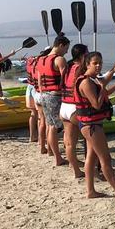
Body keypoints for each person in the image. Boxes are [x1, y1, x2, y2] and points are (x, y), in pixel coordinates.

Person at [75, 52, 115, 203]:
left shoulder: (92, 79)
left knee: (91, 157)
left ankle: (90, 191)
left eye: (100, 63)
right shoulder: (86, 82)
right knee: (106, 160)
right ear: (87, 64)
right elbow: (96, 104)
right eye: (95, 63)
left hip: (89, 125)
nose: (98, 66)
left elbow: (105, 93)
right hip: (92, 126)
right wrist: (102, 87)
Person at [37, 34, 70, 165]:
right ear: (60, 45)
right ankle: (58, 157)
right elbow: (66, 80)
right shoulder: (60, 60)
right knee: (57, 127)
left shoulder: (41, 59)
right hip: (55, 96)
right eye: (66, 48)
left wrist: (42, 93)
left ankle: (55, 155)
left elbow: (39, 80)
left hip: (43, 95)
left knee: (51, 126)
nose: (67, 51)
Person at [60, 43, 89, 178]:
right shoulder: (81, 69)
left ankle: (76, 171)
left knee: (69, 143)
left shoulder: (68, 67)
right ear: (83, 55)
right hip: (74, 108)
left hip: (64, 107)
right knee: (90, 140)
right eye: (87, 54)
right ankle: (93, 169)